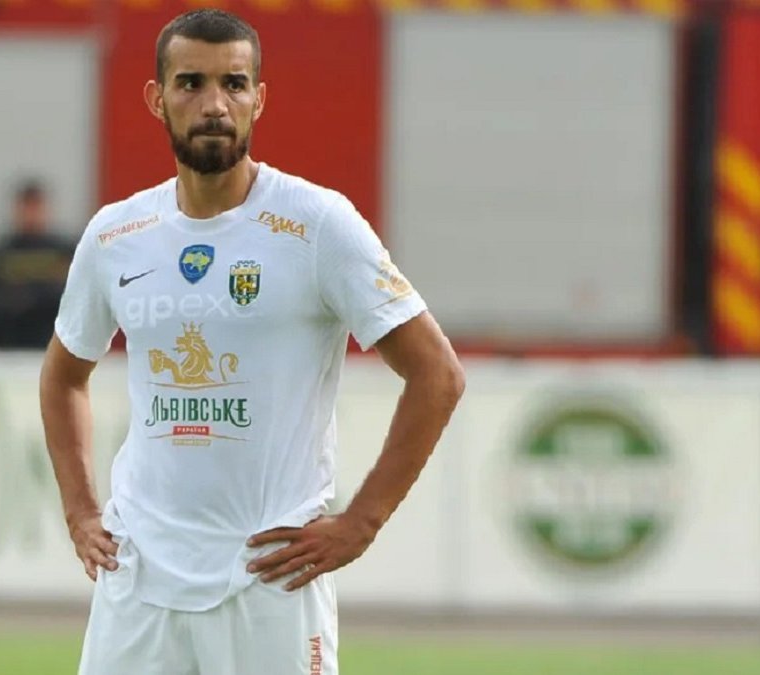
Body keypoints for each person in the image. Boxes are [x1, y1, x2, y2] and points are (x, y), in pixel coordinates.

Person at [39, 9, 464, 674]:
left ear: (259, 99)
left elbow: (437, 374)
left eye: (234, 84)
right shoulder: (115, 235)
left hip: (268, 579)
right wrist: (80, 511)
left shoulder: (318, 225)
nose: (214, 104)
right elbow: (64, 375)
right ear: (156, 98)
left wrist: (361, 522)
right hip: (137, 576)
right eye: (191, 83)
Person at [0, 179, 75, 348]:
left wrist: (31, 298)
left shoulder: (65, 252)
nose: (31, 214)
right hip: (12, 346)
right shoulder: (2, 255)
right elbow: (0, 302)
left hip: (55, 345)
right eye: (27, 208)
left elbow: (69, 300)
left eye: (36, 207)